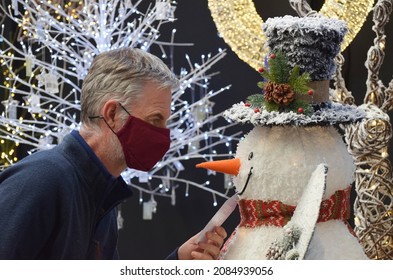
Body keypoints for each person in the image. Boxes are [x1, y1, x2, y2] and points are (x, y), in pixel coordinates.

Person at [0, 48, 227, 259]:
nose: (164, 134)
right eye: (155, 119)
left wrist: (179, 262)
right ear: (112, 114)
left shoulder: (100, 196)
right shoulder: (42, 180)